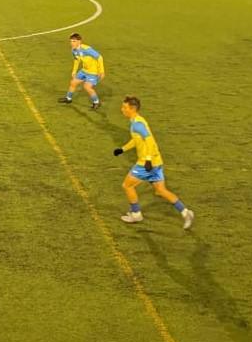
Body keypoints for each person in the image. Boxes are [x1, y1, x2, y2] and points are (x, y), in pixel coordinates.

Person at [114, 97, 192, 228]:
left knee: (127, 186)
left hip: (146, 163)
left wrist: (148, 159)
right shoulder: (137, 121)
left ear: (131, 109)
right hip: (157, 161)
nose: (122, 110)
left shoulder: (137, 124)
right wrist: (122, 149)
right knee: (161, 190)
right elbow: (137, 140)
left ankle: (136, 214)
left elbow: (149, 140)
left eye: (124, 107)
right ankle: (185, 212)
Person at [61, 34, 104, 109]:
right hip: (84, 70)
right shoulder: (74, 50)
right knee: (73, 82)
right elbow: (76, 60)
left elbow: (99, 57)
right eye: (71, 41)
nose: (72, 43)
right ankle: (68, 99)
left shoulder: (86, 49)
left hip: (93, 72)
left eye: (74, 41)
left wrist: (102, 71)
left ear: (79, 41)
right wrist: (74, 72)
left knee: (87, 87)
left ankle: (96, 102)